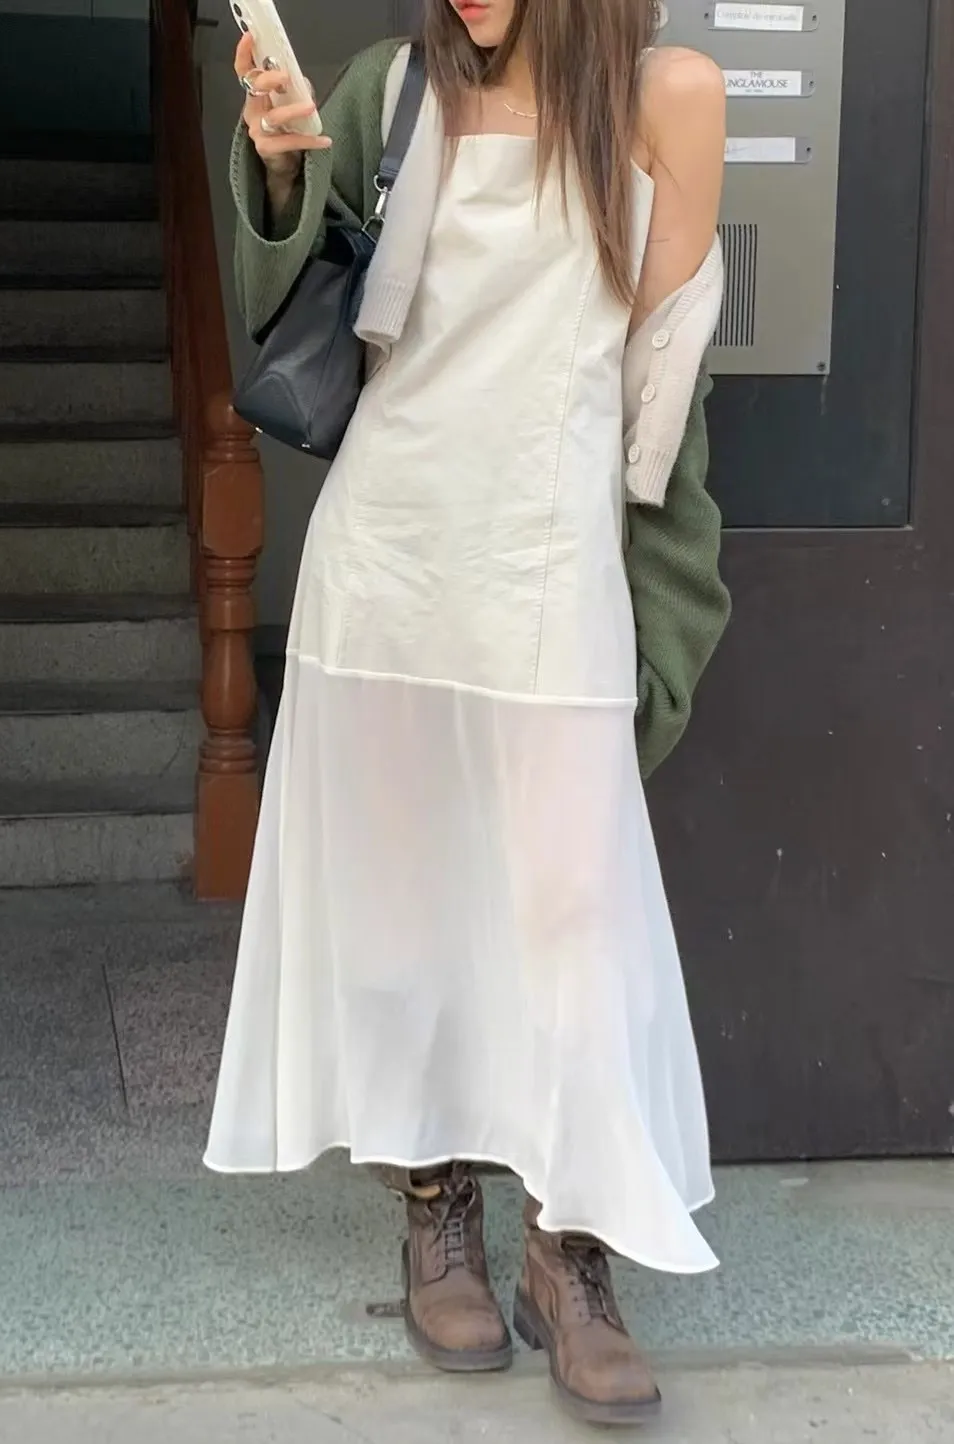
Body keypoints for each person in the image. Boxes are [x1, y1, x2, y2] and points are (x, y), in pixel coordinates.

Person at [206, 0, 730, 1426]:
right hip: (385, 567)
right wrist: (278, 167)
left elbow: (662, 411)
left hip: (549, 575)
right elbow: (291, 288)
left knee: (574, 924)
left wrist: (664, 632)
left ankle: (569, 1248)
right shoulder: (394, 87)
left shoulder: (669, 97)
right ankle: (433, 1203)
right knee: (396, 917)